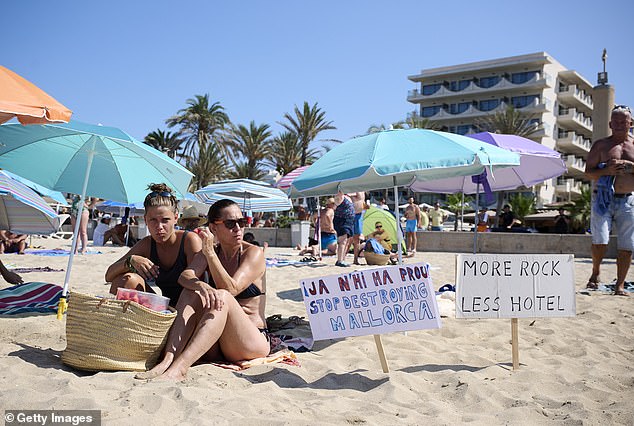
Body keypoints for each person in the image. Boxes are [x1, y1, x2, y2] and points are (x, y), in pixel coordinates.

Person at [140, 199, 269, 380]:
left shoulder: (253, 253)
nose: (238, 229)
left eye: (242, 222)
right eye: (230, 223)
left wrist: (210, 254)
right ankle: (169, 359)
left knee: (221, 295)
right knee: (191, 291)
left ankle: (181, 368)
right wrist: (199, 284)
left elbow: (231, 289)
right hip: (218, 341)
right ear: (213, 228)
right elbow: (185, 277)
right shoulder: (212, 250)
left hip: (250, 341)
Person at [105, 183, 202, 307]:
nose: (159, 227)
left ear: (176, 218)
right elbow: (109, 276)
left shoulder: (189, 240)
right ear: (145, 220)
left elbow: (198, 286)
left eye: (165, 220)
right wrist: (131, 261)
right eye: (153, 220)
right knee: (124, 280)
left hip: (192, 306)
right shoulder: (147, 244)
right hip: (165, 306)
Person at [584, 105, 634, 296]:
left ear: (631, 123)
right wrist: (606, 170)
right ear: (610, 124)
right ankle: (596, 272)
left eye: (624, 121)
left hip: (628, 201)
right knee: (600, 241)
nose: (620, 124)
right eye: (617, 121)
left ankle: (619, 285)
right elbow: (588, 172)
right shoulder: (601, 145)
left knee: (627, 246)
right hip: (603, 199)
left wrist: (630, 166)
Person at [333, 191, 355, 267]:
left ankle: (342, 259)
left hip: (348, 221)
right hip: (342, 221)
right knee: (342, 241)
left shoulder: (347, 196)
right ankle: (340, 260)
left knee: (345, 241)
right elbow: (337, 199)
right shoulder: (339, 196)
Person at [348, 192, 366, 265]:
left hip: (359, 215)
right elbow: (348, 195)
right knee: (349, 239)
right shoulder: (353, 189)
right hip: (352, 215)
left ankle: (355, 259)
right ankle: (342, 258)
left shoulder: (362, 190)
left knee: (357, 239)